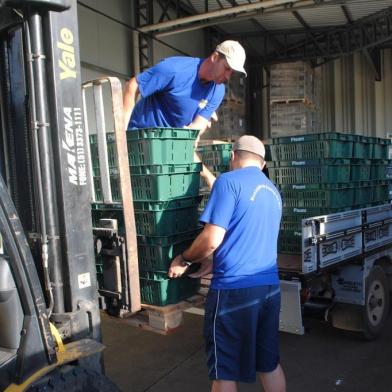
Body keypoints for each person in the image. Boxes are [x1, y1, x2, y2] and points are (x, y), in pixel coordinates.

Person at [168, 135, 286, 392]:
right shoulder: (273, 192)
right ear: (263, 163)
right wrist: (214, 259)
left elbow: (211, 238)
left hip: (234, 290)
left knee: (225, 370)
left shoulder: (228, 182)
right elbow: (246, 233)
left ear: (233, 157)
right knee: (268, 363)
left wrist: (185, 259)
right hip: (269, 289)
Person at [122, 40, 247, 135]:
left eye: (232, 72)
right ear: (214, 57)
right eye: (227, 68)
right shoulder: (174, 69)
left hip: (171, 145)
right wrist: (122, 129)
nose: (228, 76)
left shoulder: (218, 92)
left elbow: (198, 125)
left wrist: (192, 138)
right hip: (142, 136)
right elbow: (133, 86)